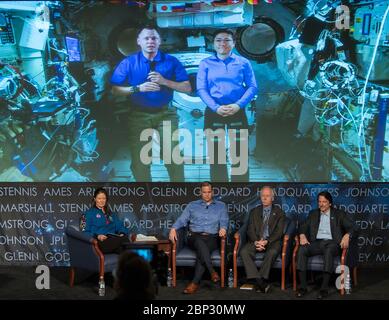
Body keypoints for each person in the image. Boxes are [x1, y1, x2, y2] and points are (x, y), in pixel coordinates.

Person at [110, 26, 191, 182]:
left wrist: (164, 81)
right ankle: (146, 196)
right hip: (138, 115)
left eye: (154, 38)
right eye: (146, 38)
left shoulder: (171, 62)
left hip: (166, 114)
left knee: (173, 156)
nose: (150, 41)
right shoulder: (128, 63)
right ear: (139, 42)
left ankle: (180, 193)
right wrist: (137, 88)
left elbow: (187, 88)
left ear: (159, 41)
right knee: (140, 162)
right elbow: (115, 90)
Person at [197, 29, 258, 182]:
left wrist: (239, 105)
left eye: (226, 40)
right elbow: (201, 89)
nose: (222, 43)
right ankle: (220, 188)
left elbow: (253, 87)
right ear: (213, 43)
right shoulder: (205, 63)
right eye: (218, 40)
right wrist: (215, 107)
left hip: (237, 110)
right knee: (216, 153)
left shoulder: (243, 63)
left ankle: (241, 189)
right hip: (213, 110)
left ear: (233, 43)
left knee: (239, 153)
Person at [169, 181, 229, 294]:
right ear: (200, 192)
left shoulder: (221, 206)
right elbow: (182, 219)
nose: (207, 194)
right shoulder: (192, 205)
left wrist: (223, 228)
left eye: (209, 192)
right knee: (199, 241)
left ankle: (194, 283)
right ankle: (212, 271)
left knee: (202, 251)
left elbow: (224, 221)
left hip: (212, 238)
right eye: (204, 192)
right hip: (194, 237)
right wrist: (173, 228)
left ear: (213, 192)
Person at [296, 191, 355, 299]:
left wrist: (347, 235)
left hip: (333, 244)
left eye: (324, 202)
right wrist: (302, 234)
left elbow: (352, 227)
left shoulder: (339, 214)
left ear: (330, 203)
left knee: (328, 252)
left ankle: (324, 289)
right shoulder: (313, 213)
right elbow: (302, 226)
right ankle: (303, 287)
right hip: (317, 243)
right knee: (302, 250)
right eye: (319, 201)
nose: (321, 204)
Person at [240, 186, 285, 293]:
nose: (264, 198)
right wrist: (256, 241)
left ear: (272, 198)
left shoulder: (279, 212)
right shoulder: (254, 211)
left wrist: (266, 241)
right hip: (256, 240)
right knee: (244, 251)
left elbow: (279, 232)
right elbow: (250, 229)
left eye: (267, 196)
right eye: (262, 196)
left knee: (272, 252)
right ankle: (260, 281)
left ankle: (259, 280)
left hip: (272, 242)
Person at [84, 187, 129, 254]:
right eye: (99, 198)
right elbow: (85, 232)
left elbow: (120, 225)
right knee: (125, 240)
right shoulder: (89, 213)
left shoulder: (111, 213)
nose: (102, 201)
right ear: (95, 199)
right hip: (100, 243)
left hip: (112, 240)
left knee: (124, 250)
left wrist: (122, 233)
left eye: (104, 198)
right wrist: (97, 236)